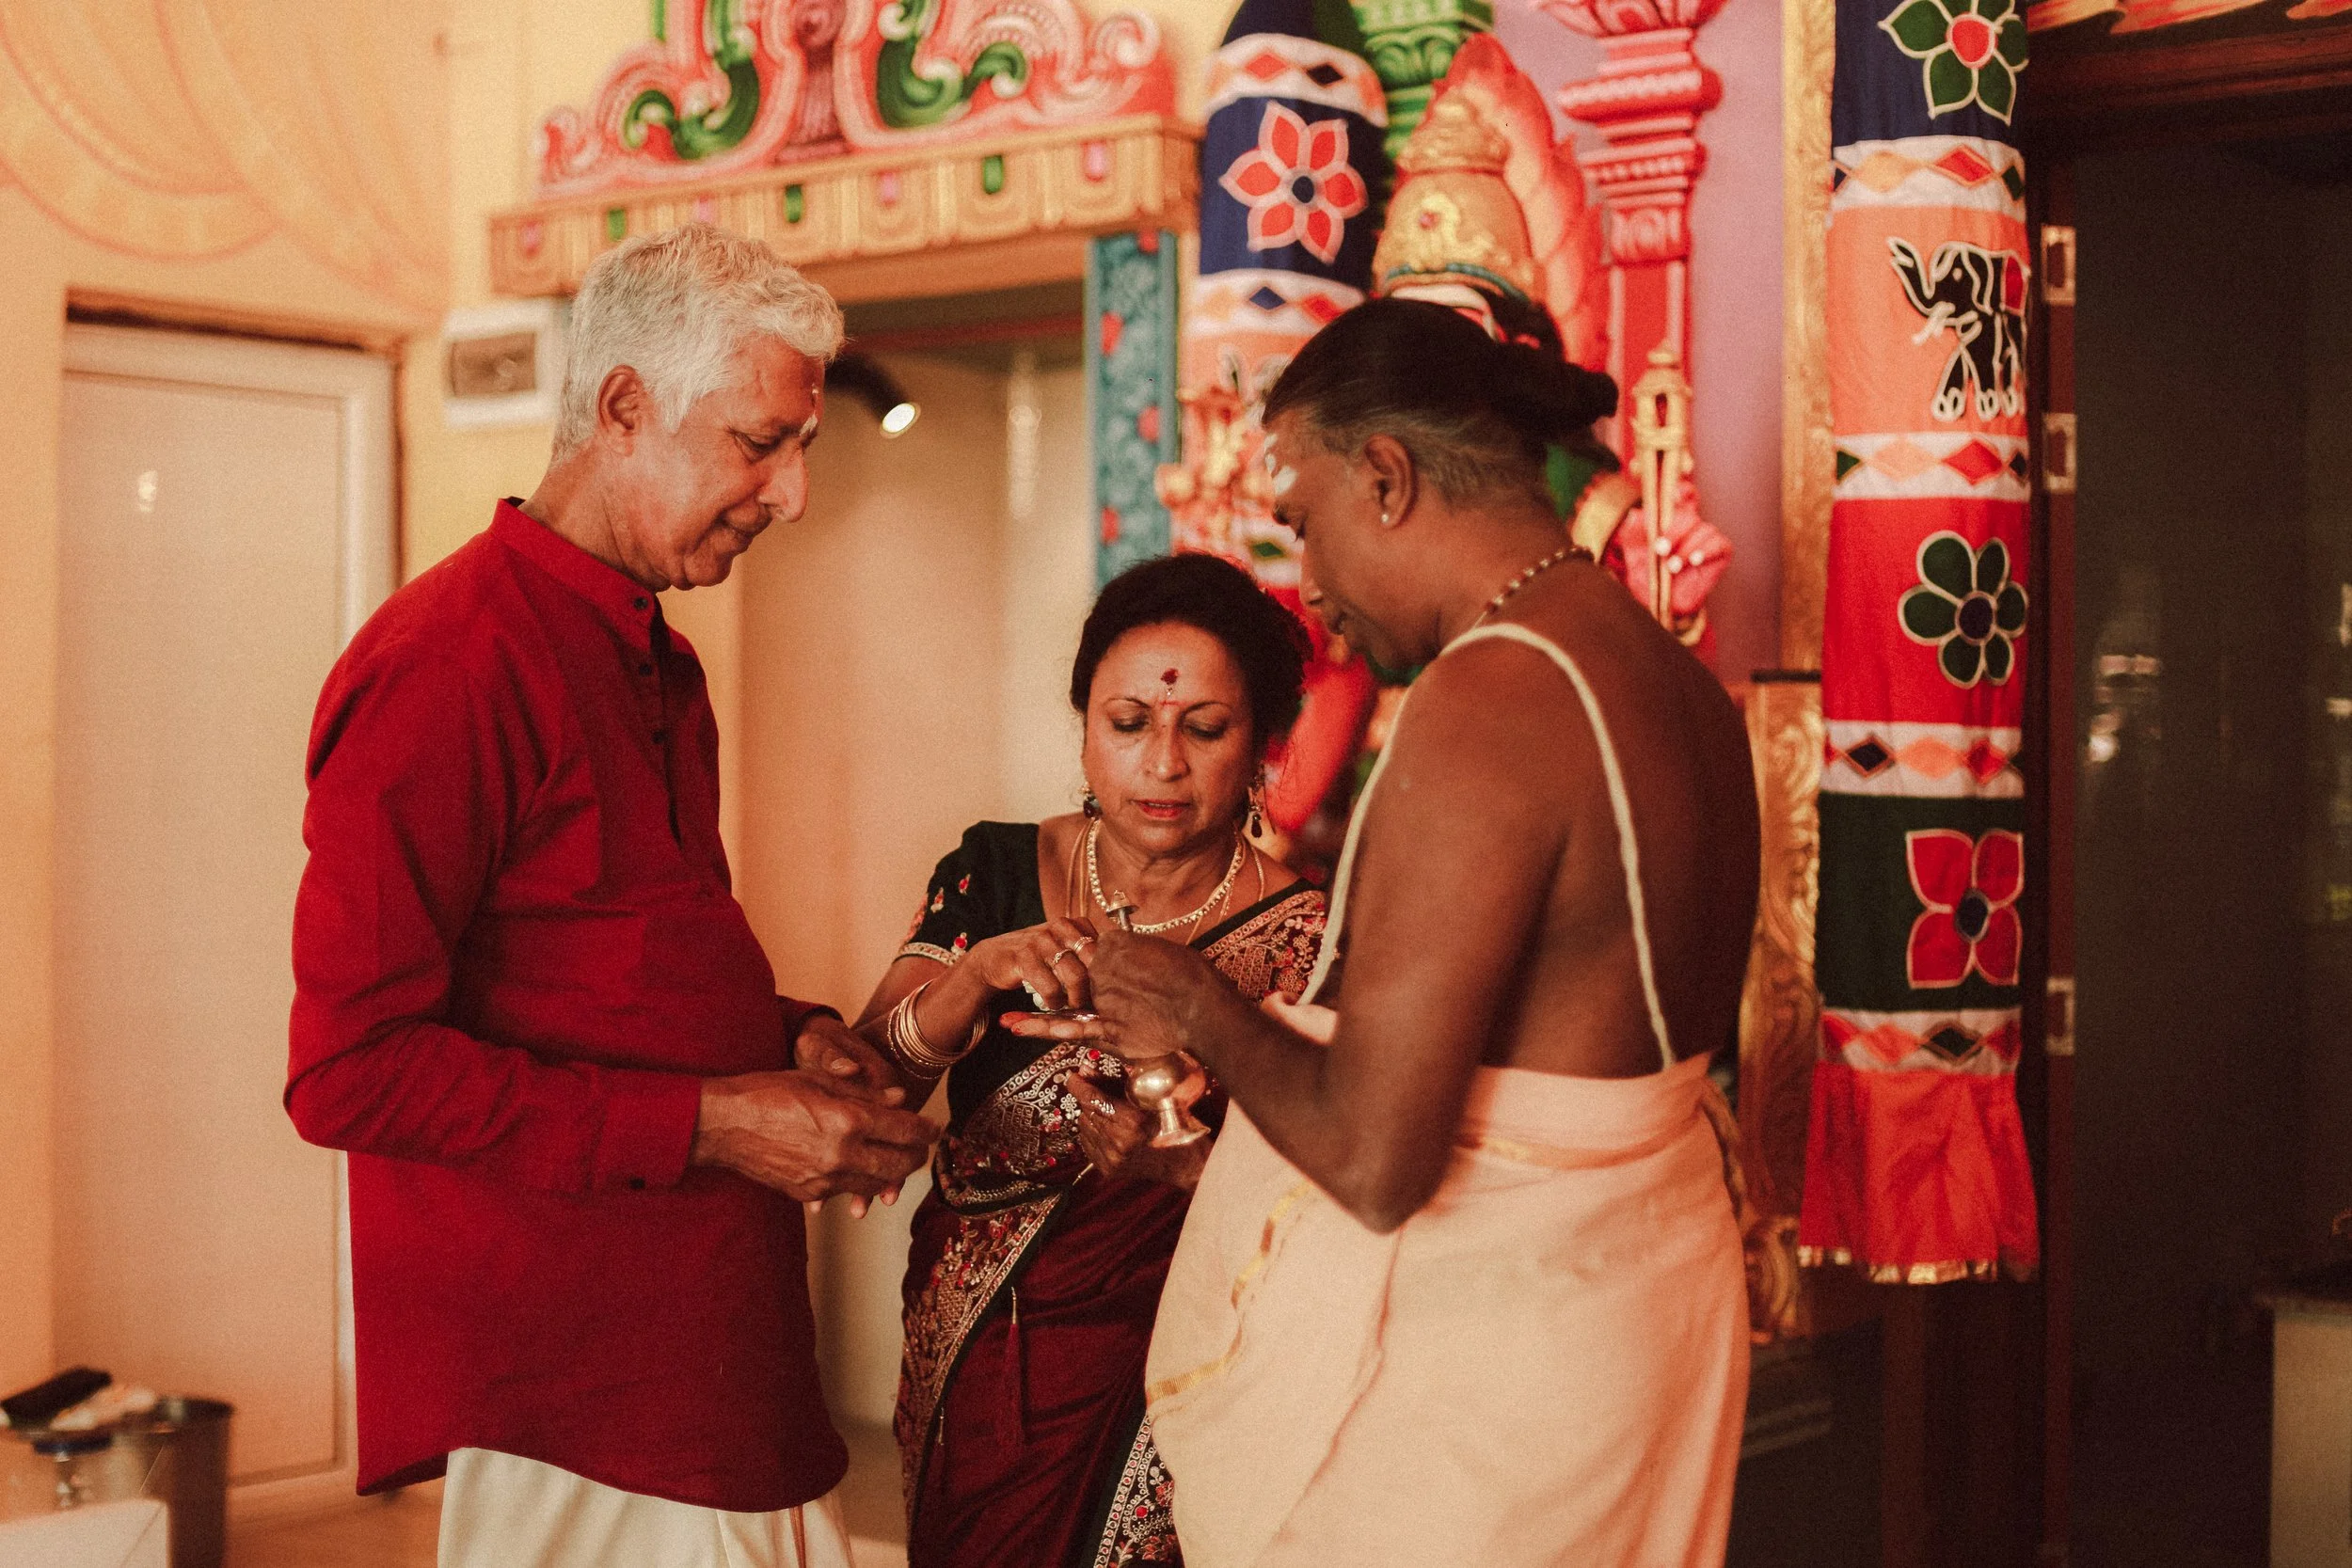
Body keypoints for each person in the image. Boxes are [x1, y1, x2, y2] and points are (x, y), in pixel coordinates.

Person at [1019, 297, 1760, 1566]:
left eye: (1304, 521)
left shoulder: (1491, 694)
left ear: (1386, 475)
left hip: (1506, 1364)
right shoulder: (1679, 685)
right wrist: (1216, 1165)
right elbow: (1548, 1088)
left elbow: (1377, 1155)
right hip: (1638, 1316)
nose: (1308, 585)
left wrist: (1195, 1002)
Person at [285, 224, 933, 1568]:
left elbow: (615, 965)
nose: (795, 492)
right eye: (762, 441)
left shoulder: (655, 659)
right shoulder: (450, 663)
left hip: (708, 1350)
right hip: (576, 1389)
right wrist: (712, 1122)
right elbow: (348, 1072)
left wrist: (785, 1036)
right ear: (626, 406)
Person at [854, 553, 1327, 1568]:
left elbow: (1333, 1185)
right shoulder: (989, 872)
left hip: (1175, 1354)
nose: (1162, 762)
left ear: (1260, 747)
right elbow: (871, 1085)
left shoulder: (1305, 937)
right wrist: (971, 979)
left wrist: (1185, 1166)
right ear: (1082, 724)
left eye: (1204, 728)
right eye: (1128, 722)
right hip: (979, 1340)